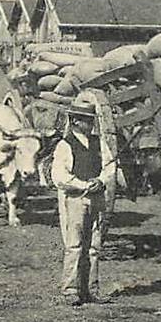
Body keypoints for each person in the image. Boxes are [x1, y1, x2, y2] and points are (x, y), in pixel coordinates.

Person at [52, 97, 107, 306]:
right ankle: (70, 290)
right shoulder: (65, 145)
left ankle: (90, 289)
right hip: (76, 198)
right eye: (86, 120)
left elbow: (109, 167)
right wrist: (84, 185)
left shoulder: (97, 143)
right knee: (74, 244)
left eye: (91, 120)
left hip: (97, 198)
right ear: (75, 121)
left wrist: (100, 180)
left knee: (94, 245)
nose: (90, 125)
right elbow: (59, 176)